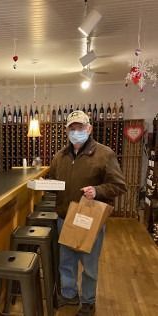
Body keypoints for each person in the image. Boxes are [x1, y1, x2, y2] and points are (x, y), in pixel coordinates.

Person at [49, 110, 127, 316]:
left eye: (80, 128)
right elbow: (53, 182)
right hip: (65, 218)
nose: (76, 132)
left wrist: (97, 190)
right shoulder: (60, 156)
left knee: (89, 265)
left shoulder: (104, 154)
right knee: (66, 262)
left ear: (89, 129)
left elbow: (119, 186)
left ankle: (88, 302)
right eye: (72, 128)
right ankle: (69, 295)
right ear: (66, 131)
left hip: (89, 219)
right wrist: (43, 185)